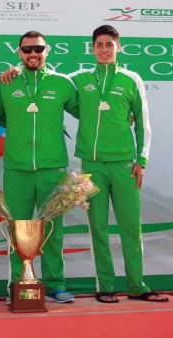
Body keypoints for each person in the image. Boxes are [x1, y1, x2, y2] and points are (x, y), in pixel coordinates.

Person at [69, 25, 168, 303]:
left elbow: (143, 124)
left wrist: (142, 160)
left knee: (129, 227)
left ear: (118, 47)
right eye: (99, 44)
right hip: (92, 167)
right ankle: (106, 286)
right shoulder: (79, 79)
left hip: (125, 165)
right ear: (92, 48)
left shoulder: (131, 79)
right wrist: (14, 72)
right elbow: (49, 83)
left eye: (109, 44)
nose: (104, 49)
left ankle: (137, 285)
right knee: (97, 227)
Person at [0, 31, 79, 305]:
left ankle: (55, 285)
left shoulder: (63, 84)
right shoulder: (6, 83)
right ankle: (18, 285)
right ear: (19, 52)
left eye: (38, 48)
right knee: (17, 230)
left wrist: (126, 114)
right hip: (16, 168)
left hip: (52, 167)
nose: (33, 54)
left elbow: (86, 113)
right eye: (27, 49)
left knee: (52, 229)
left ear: (47, 50)